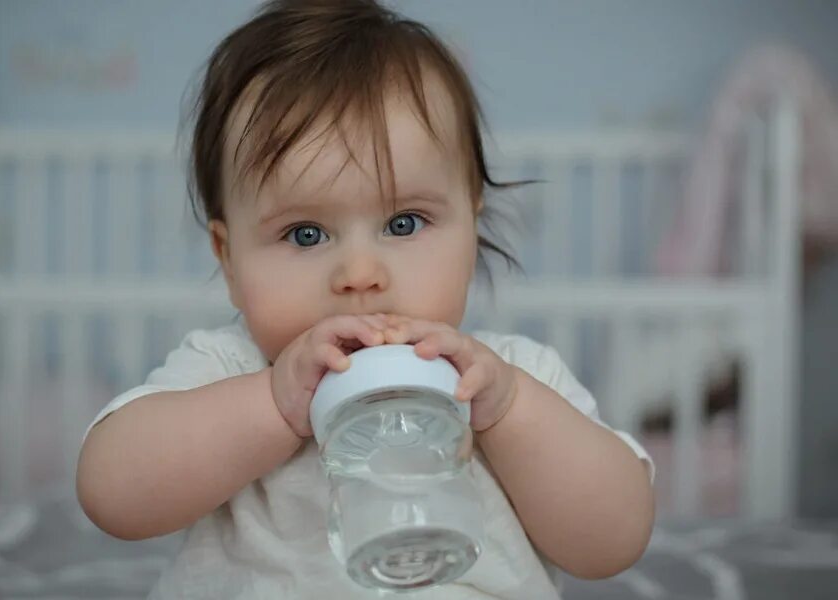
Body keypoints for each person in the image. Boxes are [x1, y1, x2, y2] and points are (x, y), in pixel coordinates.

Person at [76, 1, 655, 597]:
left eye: (404, 223)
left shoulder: (512, 376)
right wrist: (273, 407)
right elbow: (111, 493)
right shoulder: (229, 371)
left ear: (470, 225)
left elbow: (614, 541)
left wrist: (508, 413)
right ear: (228, 258)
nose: (359, 274)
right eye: (305, 234)